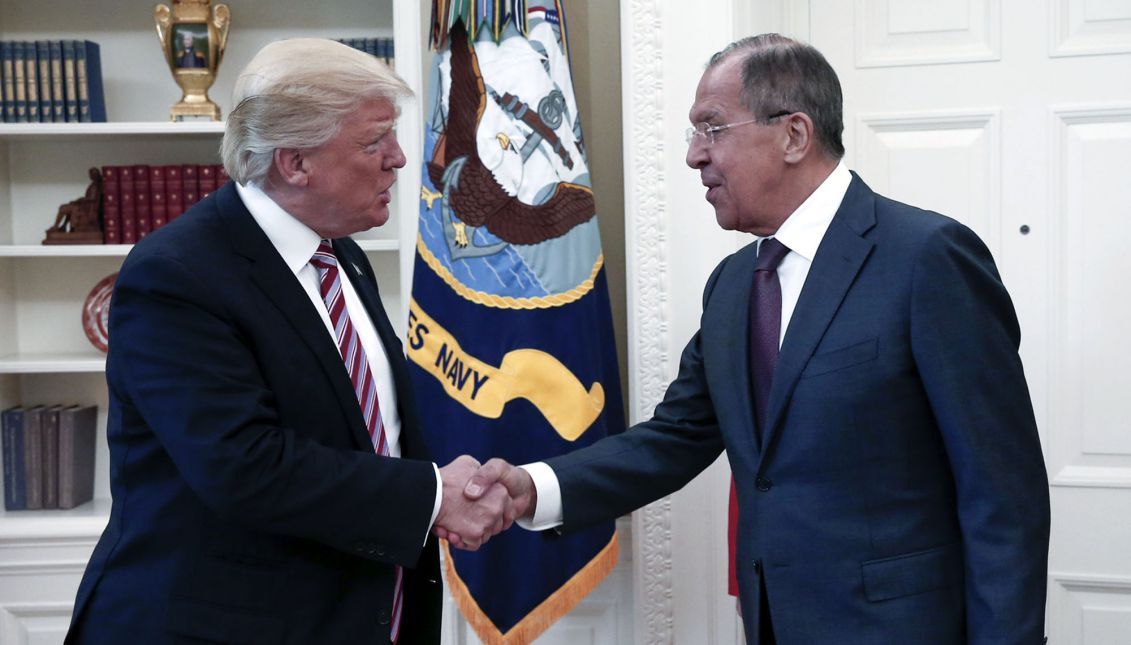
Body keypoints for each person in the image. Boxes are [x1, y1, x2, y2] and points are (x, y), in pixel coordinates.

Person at [460, 33, 1051, 644]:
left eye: (711, 128)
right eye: (693, 134)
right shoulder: (735, 284)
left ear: (794, 134)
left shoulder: (927, 258)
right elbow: (674, 438)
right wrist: (533, 487)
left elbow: (1003, 494)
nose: (694, 155)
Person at [65, 39, 515, 645]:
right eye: (373, 141)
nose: (400, 158)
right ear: (294, 162)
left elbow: (363, 433)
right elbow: (242, 466)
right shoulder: (175, 274)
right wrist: (433, 497)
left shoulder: (342, 256)